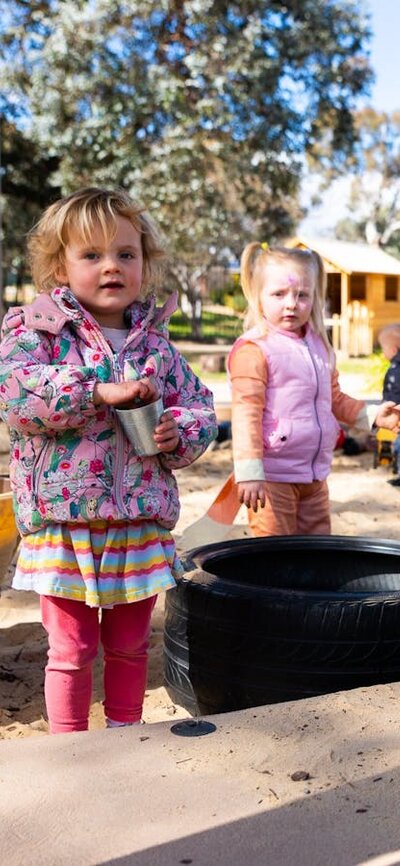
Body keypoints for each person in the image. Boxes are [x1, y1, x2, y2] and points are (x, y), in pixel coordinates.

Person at [0, 187, 217, 734]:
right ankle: (68, 746)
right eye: (91, 255)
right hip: (64, 524)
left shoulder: (158, 347)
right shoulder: (38, 333)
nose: (111, 267)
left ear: (145, 263)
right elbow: (18, 396)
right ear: (59, 266)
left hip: (137, 523)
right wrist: (99, 392)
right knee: (71, 648)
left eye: (126, 253)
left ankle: (125, 735)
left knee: (129, 644)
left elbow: (200, 407)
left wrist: (178, 431)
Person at [228, 243, 400, 536]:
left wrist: (371, 416)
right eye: (279, 294)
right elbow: (245, 415)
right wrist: (249, 472)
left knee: (317, 553)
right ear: (258, 297)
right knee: (275, 556)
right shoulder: (255, 349)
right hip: (272, 478)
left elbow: (334, 398)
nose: (292, 303)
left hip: (315, 476)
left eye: (302, 294)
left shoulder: (319, 346)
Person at [378, 323, 400, 486]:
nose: (382, 352)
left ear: (393, 349)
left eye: (382, 348)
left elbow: (393, 392)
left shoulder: (396, 369)